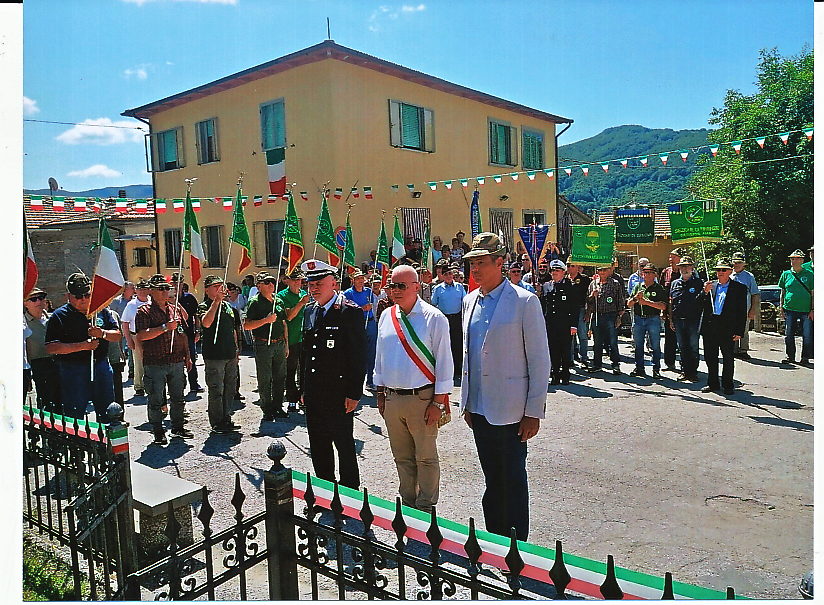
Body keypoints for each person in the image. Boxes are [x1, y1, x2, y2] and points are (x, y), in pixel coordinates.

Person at [458, 233, 550, 541]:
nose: (475, 269)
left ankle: (516, 545)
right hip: (479, 409)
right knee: (492, 480)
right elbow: (470, 355)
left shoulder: (524, 301)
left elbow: (539, 359)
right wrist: (467, 402)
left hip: (512, 411)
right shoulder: (469, 301)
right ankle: (494, 540)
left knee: (512, 481)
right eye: (472, 263)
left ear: (500, 263)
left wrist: (533, 411)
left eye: (481, 263)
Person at [374, 265, 453, 513]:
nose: (395, 291)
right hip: (392, 398)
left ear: (417, 287)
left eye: (401, 286)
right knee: (402, 456)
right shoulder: (387, 316)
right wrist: (380, 392)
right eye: (392, 286)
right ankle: (408, 503)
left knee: (426, 457)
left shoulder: (434, 318)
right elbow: (380, 357)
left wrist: (438, 402)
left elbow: (445, 363)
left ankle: (425, 506)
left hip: (422, 398)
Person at [298, 259, 366, 489]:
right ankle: (325, 493)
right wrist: (304, 389)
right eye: (310, 284)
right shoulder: (310, 310)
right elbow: (307, 355)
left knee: (343, 444)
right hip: (315, 393)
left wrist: (354, 393)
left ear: (334, 283)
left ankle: (349, 493)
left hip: (338, 393)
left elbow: (358, 356)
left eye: (319, 283)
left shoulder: (349, 311)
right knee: (318, 444)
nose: (314, 288)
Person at [44, 273, 120, 422]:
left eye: (87, 295)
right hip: (73, 368)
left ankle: (106, 436)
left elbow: (117, 335)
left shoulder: (100, 310)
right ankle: (76, 437)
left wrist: (102, 333)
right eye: (78, 296)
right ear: (68, 296)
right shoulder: (59, 316)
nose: (83, 299)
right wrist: (83, 346)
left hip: (100, 365)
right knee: (74, 412)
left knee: (108, 410)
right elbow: (51, 347)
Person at [134, 274, 193, 444]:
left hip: (176, 360)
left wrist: (188, 357)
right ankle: (158, 431)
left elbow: (182, 334)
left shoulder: (174, 309)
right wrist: (164, 327)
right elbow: (142, 335)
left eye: (167, 288)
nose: (165, 291)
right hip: (155, 362)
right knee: (156, 399)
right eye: (161, 289)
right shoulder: (144, 311)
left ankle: (178, 427)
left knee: (178, 397)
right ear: (151, 291)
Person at [198, 275, 242, 433]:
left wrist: (236, 349)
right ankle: (217, 422)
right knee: (216, 390)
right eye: (215, 287)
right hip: (214, 355)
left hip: (230, 353)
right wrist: (216, 302)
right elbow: (206, 323)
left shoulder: (228, 306)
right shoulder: (204, 306)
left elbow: (233, 329)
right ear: (207, 290)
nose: (220, 289)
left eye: (221, 286)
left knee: (230, 389)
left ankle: (226, 417)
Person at [243, 272, 290, 421]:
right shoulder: (255, 302)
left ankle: (278, 406)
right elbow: (247, 325)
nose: (271, 285)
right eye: (267, 282)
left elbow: (284, 323)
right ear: (259, 286)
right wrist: (265, 320)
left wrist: (286, 344)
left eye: (272, 282)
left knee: (280, 377)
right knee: (265, 378)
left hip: (279, 343)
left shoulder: (278, 300)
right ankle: (267, 408)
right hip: (264, 343)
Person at [699, 258, 749, 395]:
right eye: (718, 270)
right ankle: (712, 383)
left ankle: (728, 384)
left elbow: (741, 312)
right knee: (710, 356)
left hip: (727, 327)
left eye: (723, 270)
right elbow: (699, 304)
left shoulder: (739, 288)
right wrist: (704, 292)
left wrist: (739, 331)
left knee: (727, 356)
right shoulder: (711, 286)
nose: (720, 272)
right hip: (711, 326)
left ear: (730, 271)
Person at [24, 287, 62, 414]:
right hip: (37, 365)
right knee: (45, 402)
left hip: (57, 362)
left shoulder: (52, 318)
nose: (38, 302)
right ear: (25, 303)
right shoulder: (23, 323)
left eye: (41, 298)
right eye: (34, 299)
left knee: (60, 401)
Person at [277, 269, 310, 409]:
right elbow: (289, 316)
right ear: (287, 281)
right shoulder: (282, 296)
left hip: (305, 337)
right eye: (294, 280)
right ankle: (291, 398)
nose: (297, 282)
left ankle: (303, 397)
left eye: (299, 280)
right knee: (290, 370)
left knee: (305, 370)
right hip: (291, 338)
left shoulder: (304, 294)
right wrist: (301, 303)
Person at [668, 256, 704, 382]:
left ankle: (693, 372)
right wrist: (670, 319)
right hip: (678, 320)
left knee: (693, 347)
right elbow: (671, 302)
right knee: (682, 347)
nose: (684, 269)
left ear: (692, 268)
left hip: (693, 320)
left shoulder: (699, 283)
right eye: (682, 267)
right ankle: (684, 371)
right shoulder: (675, 283)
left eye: (687, 266)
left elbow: (702, 301)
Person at [586, 264, 626, 375]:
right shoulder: (593, 284)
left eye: (604, 270)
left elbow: (620, 301)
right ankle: (597, 365)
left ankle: (615, 365)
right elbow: (587, 301)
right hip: (597, 316)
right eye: (600, 270)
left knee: (612, 342)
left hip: (610, 315)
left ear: (609, 271)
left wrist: (619, 317)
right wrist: (592, 295)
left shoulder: (615, 284)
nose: (602, 272)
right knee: (597, 342)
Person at [628, 263, 667, 379]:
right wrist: (635, 298)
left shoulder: (659, 288)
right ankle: (639, 368)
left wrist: (647, 303)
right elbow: (629, 304)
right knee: (638, 345)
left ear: (655, 274)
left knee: (655, 345)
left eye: (650, 272)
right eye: (645, 272)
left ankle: (656, 369)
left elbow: (663, 306)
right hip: (638, 319)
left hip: (653, 319)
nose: (647, 275)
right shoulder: (638, 287)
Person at [542, 260, 577, 385]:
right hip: (551, 324)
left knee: (565, 350)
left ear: (563, 272)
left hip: (565, 324)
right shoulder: (547, 286)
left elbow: (575, 307)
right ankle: (555, 375)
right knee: (553, 350)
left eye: (557, 271)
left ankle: (565, 374)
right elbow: (544, 305)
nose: (554, 273)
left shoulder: (570, 286)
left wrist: (574, 325)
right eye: (553, 271)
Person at [778, 249, 814, 366]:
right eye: (792, 259)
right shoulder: (786, 274)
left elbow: (813, 294)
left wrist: (813, 309)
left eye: (797, 259)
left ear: (802, 261)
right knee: (789, 334)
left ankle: (805, 357)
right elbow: (783, 292)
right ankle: (790, 356)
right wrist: (781, 308)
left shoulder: (809, 275)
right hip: (789, 309)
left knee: (807, 335)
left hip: (805, 310)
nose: (794, 261)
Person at [430, 265, 466, 383]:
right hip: (444, 319)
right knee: (445, 344)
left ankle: (458, 370)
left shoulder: (459, 287)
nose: (449, 276)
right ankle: (446, 370)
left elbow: (465, 302)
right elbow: (433, 304)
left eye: (450, 274)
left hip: (457, 319)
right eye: (446, 274)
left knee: (458, 344)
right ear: (442, 276)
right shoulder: (438, 289)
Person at [343, 269, 377, 391]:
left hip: (370, 322)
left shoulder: (368, 291)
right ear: (353, 280)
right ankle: (356, 382)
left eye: (362, 278)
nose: (361, 281)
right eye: (358, 279)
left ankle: (370, 380)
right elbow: (347, 310)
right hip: (356, 324)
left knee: (372, 352)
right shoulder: (348, 293)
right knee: (357, 352)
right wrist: (362, 308)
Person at [171, 274, 203, 395]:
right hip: (174, 334)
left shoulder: (189, 298)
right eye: (174, 284)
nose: (176, 286)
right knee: (176, 361)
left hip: (188, 333)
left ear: (182, 284)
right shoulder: (168, 299)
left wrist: (197, 330)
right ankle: (178, 386)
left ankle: (194, 384)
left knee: (191, 359)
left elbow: (196, 315)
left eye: (178, 283)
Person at [121, 278, 152, 396]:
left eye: (145, 289)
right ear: (136, 291)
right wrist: (128, 340)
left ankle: (153, 384)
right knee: (138, 363)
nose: (142, 292)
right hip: (137, 336)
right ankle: (139, 386)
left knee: (153, 362)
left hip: (152, 334)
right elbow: (125, 323)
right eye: (140, 289)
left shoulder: (152, 302)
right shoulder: (131, 305)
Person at [730, 252, 760, 360]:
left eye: (739, 262)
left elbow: (755, 294)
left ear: (744, 264)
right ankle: (733, 349)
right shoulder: (729, 275)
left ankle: (743, 350)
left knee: (744, 330)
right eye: (735, 262)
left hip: (745, 309)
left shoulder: (749, 276)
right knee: (731, 329)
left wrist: (753, 309)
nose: (737, 265)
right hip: (731, 310)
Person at [660, 248, 683, 372]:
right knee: (669, 339)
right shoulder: (666, 272)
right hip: (669, 310)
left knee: (684, 340)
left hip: (682, 310)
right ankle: (669, 363)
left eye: (673, 257)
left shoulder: (686, 272)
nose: (670, 259)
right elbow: (662, 293)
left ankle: (685, 366)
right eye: (670, 257)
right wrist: (663, 311)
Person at [566, 263, 591, 369]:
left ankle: (584, 358)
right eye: (568, 266)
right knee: (570, 336)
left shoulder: (585, 279)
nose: (569, 268)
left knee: (582, 335)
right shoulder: (565, 280)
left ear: (577, 267)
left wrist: (588, 312)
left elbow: (588, 298)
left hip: (581, 309)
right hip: (568, 310)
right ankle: (570, 359)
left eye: (572, 266)